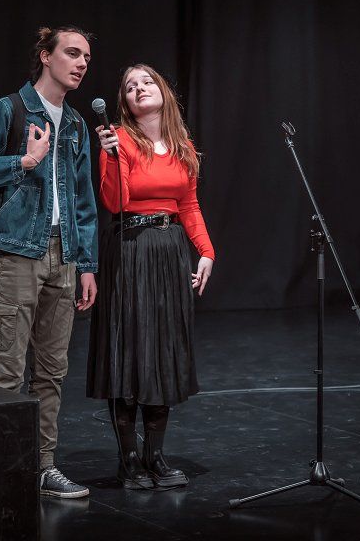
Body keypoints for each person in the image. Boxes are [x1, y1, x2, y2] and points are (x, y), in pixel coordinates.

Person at [0, 26, 98, 498]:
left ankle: (43, 466)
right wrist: (22, 161)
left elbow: (83, 201)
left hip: (64, 255)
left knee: (52, 371)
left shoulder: (75, 124)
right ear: (45, 56)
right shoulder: (9, 110)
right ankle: (1, 470)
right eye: (72, 53)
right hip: (16, 251)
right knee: (8, 371)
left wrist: (86, 264)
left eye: (86, 57)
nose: (81, 63)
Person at [86, 64, 215, 489]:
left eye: (146, 82)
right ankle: (128, 460)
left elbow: (189, 206)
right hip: (130, 248)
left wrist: (206, 252)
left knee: (163, 350)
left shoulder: (183, 147)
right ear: (124, 102)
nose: (139, 88)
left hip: (169, 249)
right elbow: (115, 201)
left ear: (163, 92)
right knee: (127, 350)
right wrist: (110, 156)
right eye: (130, 86)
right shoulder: (118, 140)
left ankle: (155, 456)